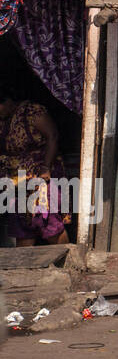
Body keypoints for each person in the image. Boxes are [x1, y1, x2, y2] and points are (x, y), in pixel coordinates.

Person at [0, 84, 69, 246]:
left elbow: (52, 136)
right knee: (22, 222)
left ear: (7, 101)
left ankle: (66, 262)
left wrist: (45, 167)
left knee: (46, 219)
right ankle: (25, 267)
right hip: (17, 179)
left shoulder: (32, 111)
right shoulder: (4, 120)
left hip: (40, 173)